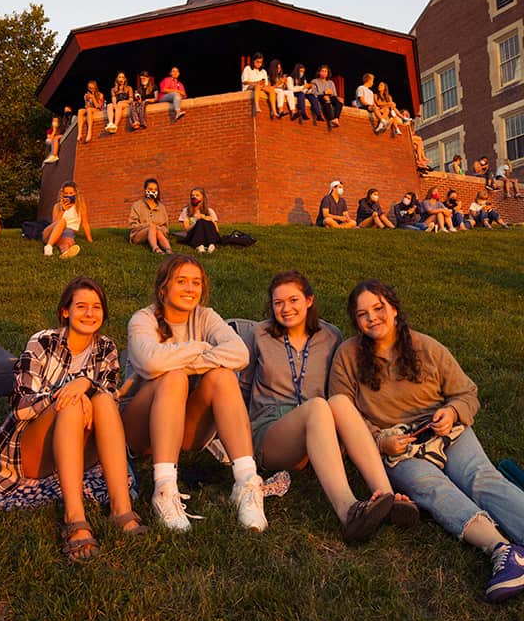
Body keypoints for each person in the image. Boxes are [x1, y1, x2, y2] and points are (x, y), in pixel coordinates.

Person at [330, 279, 524, 603]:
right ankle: (502, 551)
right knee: (432, 488)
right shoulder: (348, 356)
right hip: (397, 444)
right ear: (355, 321)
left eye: (378, 308)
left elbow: (467, 393)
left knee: (481, 478)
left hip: (444, 430)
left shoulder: (427, 347)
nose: (372, 318)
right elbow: (342, 411)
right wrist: (378, 442)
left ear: (393, 308)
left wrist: (452, 411)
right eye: (362, 313)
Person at [240, 271, 418, 543]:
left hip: (320, 431)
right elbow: (241, 387)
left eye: (294, 300)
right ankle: (349, 511)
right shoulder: (259, 334)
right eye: (278, 303)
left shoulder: (330, 335)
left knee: (337, 401)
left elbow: (342, 386)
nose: (286, 309)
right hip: (272, 431)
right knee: (319, 407)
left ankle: (386, 496)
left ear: (309, 300)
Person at [0, 277, 145, 562]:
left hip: (81, 447)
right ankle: (74, 518)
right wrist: (65, 395)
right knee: (70, 405)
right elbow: (21, 406)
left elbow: (109, 393)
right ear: (65, 311)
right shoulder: (42, 342)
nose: (90, 313)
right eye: (81, 306)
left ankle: (121, 509)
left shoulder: (105, 348)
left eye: (97, 307)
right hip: (33, 452)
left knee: (104, 400)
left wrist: (86, 386)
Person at [122, 255, 267, 532]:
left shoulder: (205, 316)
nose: (190, 289)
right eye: (181, 281)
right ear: (163, 288)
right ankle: (164, 489)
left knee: (223, 376)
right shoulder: (143, 319)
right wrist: (200, 348)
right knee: (173, 377)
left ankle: (246, 483)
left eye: (196, 282)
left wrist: (189, 359)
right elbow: (151, 362)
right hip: (138, 429)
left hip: (185, 431)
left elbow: (239, 354)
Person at [42, 181, 92, 259]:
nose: (68, 195)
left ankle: (65, 253)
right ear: (63, 194)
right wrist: (63, 210)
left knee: (68, 243)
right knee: (62, 221)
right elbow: (55, 223)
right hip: (51, 233)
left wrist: (90, 240)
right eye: (66, 193)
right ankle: (48, 247)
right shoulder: (57, 206)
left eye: (71, 193)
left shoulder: (80, 206)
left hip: (68, 233)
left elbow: (85, 223)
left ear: (75, 193)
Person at [128, 178, 171, 254]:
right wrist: (149, 226)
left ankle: (168, 250)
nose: (153, 191)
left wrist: (156, 229)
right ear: (145, 190)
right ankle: (155, 248)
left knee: (155, 228)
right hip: (139, 235)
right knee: (152, 227)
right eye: (150, 189)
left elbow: (165, 228)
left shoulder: (161, 207)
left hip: (159, 234)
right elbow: (133, 226)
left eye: (155, 189)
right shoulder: (137, 205)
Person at [178, 187, 221, 253]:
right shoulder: (186, 211)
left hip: (209, 235)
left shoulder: (210, 211)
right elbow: (187, 229)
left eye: (197, 195)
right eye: (192, 195)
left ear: (203, 197)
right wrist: (196, 220)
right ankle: (199, 246)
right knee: (200, 221)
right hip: (194, 235)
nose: (194, 197)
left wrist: (208, 220)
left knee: (204, 221)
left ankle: (211, 245)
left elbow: (216, 230)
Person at [241, 52, 277, 118]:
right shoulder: (248, 68)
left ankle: (273, 111)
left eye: (260, 62)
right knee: (257, 86)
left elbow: (266, 84)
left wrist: (263, 84)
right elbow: (244, 81)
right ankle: (257, 106)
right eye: (257, 62)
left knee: (271, 89)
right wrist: (256, 82)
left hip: (261, 86)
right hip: (249, 87)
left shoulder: (263, 71)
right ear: (253, 61)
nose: (259, 64)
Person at [310, 65, 343, 130]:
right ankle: (330, 119)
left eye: (325, 71)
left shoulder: (331, 82)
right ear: (319, 72)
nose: (324, 73)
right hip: (319, 96)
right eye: (322, 71)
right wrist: (324, 93)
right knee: (326, 99)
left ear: (328, 73)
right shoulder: (314, 81)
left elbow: (334, 94)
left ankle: (336, 118)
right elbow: (313, 92)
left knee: (340, 101)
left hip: (329, 96)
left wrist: (331, 94)